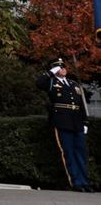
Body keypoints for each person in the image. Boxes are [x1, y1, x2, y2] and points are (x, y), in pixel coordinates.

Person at [36, 58, 92, 192]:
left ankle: (85, 182)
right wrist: (50, 73)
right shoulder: (51, 82)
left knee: (81, 152)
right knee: (68, 152)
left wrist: (85, 122)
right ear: (55, 70)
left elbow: (80, 105)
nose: (63, 69)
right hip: (62, 121)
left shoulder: (74, 84)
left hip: (77, 121)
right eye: (59, 67)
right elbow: (39, 83)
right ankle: (76, 182)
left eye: (63, 67)